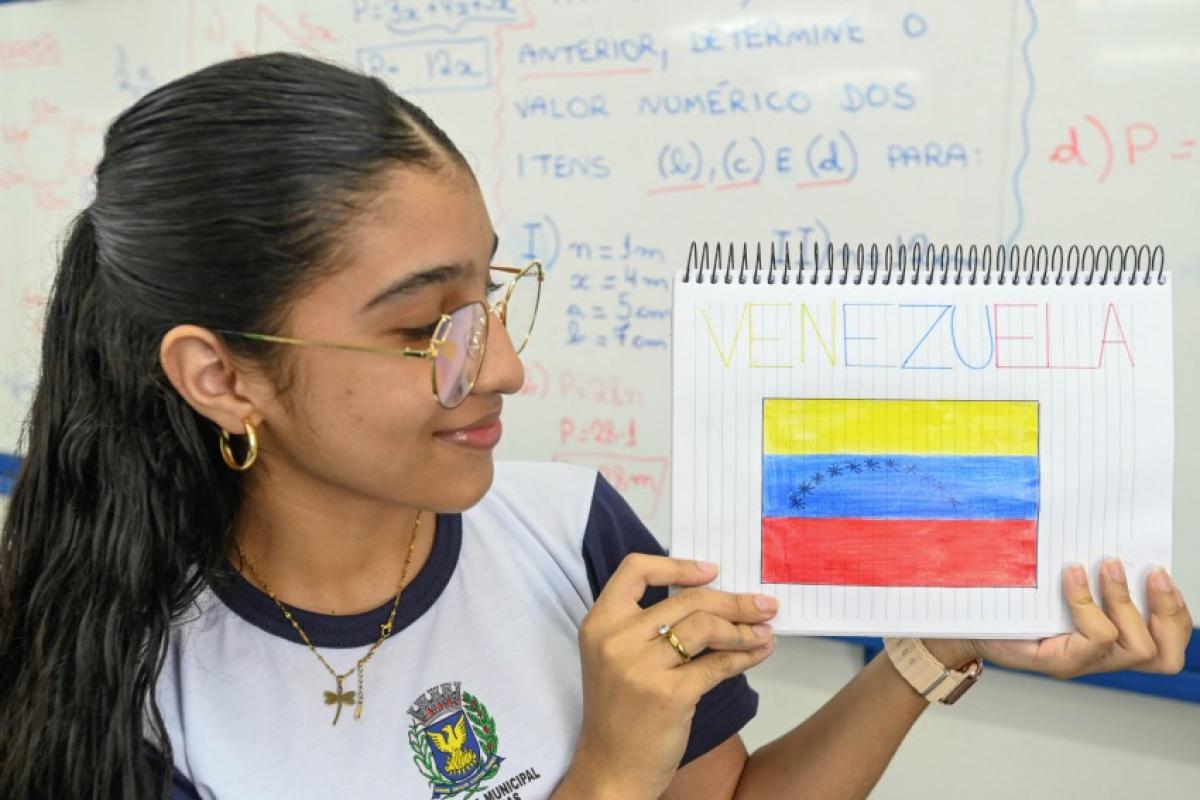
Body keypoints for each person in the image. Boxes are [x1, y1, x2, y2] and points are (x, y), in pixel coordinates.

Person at [0, 52, 1191, 800]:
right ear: (222, 375)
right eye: (424, 327)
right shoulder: (117, 681)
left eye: (491, 296)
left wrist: (939, 643)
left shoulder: (574, 528)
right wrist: (613, 768)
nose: (505, 367)